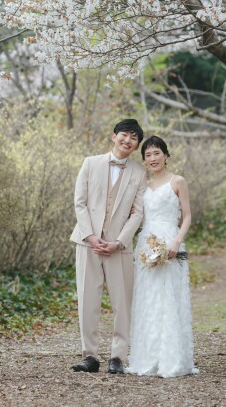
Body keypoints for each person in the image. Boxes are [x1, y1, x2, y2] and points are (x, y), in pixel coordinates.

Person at [70, 118, 147, 374]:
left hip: (119, 247)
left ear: (136, 146)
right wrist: (90, 236)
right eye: (124, 135)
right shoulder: (90, 163)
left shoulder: (139, 173)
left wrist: (118, 242)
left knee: (122, 303)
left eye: (133, 138)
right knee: (87, 300)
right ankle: (89, 356)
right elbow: (79, 202)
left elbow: (138, 213)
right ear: (113, 136)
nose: (128, 140)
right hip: (88, 244)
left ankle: (117, 357)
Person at [126, 135, 199, 378]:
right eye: (148, 155)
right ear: (144, 160)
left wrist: (176, 242)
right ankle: (149, 357)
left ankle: (172, 358)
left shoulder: (177, 181)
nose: (153, 158)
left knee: (169, 297)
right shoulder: (143, 186)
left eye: (157, 153)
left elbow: (187, 216)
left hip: (171, 242)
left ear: (166, 155)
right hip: (146, 245)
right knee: (149, 299)